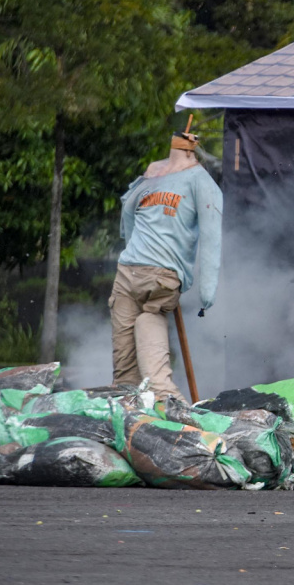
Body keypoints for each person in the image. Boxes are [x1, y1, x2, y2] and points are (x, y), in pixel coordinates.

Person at [109, 126, 222, 401]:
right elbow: (129, 215)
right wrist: (131, 249)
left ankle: (178, 423)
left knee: (155, 377)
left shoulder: (200, 181)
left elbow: (211, 238)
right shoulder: (152, 173)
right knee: (124, 374)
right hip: (127, 272)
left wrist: (207, 292)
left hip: (162, 277)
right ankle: (132, 427)